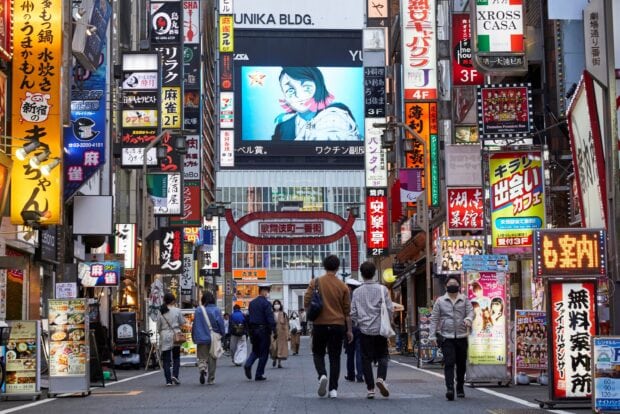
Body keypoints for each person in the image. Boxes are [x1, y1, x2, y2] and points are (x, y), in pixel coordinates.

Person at [304, 255, 353, 399]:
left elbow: (306, 301)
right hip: (338, 325)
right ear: (337, 268)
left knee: (318, 353)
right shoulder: (343, 286)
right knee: (335, 357)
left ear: (324, 266)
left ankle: (322, 375)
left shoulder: (316, 282)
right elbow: (347, 311)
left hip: (320, 324)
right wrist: (349, 330)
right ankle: (333, 390)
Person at [272, 67, 361, 142]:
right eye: (290, 90)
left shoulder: (334, 116)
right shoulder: (282, 128)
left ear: (319, 87)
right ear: (285, 97)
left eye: (306, 87)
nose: (299, 95)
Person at [350, 262, 393, 399]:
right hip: (380, 329)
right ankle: (381, 378)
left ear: (362, 274)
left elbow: (353, 312)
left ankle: (370, 389)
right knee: (383, 356)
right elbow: (390, 308)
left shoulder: (356, 292)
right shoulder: (383, 289)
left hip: (364, 330)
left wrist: (358, 322)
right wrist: (389, 321)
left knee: (366, 359)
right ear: (374, 273)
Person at [429, 276, 474, 401]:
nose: (452, 285)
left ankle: (459, 386)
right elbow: (434, 318)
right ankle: (450, 388)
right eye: (450, 283)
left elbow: (471, 312)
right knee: (449, 362)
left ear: (459, 286)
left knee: (461, 364)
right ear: (445, 286)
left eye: (455, 283)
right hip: (446, 337)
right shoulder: (440, 301)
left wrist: (468, 319)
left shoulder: (464, 299)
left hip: (461, 336)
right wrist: (432, 335)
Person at [192, 292, 225, 385]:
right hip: (213, 337)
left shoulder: (198, 310)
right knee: (212, 358)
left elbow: (194, 324)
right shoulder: (216, 310)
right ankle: (211, 378)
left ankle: (202, 369)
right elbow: (220, 323)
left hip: (201, 337)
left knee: (202, 357)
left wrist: (194, 336)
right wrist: (223, 334)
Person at [244, 283, 276, 381]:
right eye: (267, 291)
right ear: (263, 291)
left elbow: (248, 317)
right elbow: (270, 318)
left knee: (255, 350)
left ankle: (248, 364)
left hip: (253, 330)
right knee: (264, 353)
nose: (268, 293)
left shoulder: (252, 303)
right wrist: (274, 330)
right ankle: (259, 374)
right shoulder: (266, 304)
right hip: (263, 331)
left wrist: (249, 331)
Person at [157, 292, 186, 386]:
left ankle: (168, 380)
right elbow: (182, 322)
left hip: (165, 335)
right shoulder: (177, 310)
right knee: (176, 357)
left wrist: (161, 332)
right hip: (175, 334)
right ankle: (175, 375)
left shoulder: (161, 311)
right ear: (173, 301)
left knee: (166, 359)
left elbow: (158, 326)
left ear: (165, 301)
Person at [344, 277, 363, 384]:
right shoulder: (360, 297)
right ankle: (360, 375)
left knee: (350, 353)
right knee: (360, 352)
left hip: (349, 327)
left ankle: (350, 375)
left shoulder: (346, 298)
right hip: (360, 327)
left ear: (350, 288)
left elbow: (346, 314)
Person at [270, 299, 289, 368]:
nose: (276, 305)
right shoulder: (270, 314)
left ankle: (279, 363)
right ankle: (274, 358)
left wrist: (287, 335)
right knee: (273, 347)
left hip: (282, 334)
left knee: (281, 348)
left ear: (280, 305)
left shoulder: (283, 314)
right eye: (275, 304)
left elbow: (286, 325)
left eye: (278, 303)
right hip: (273, 333)